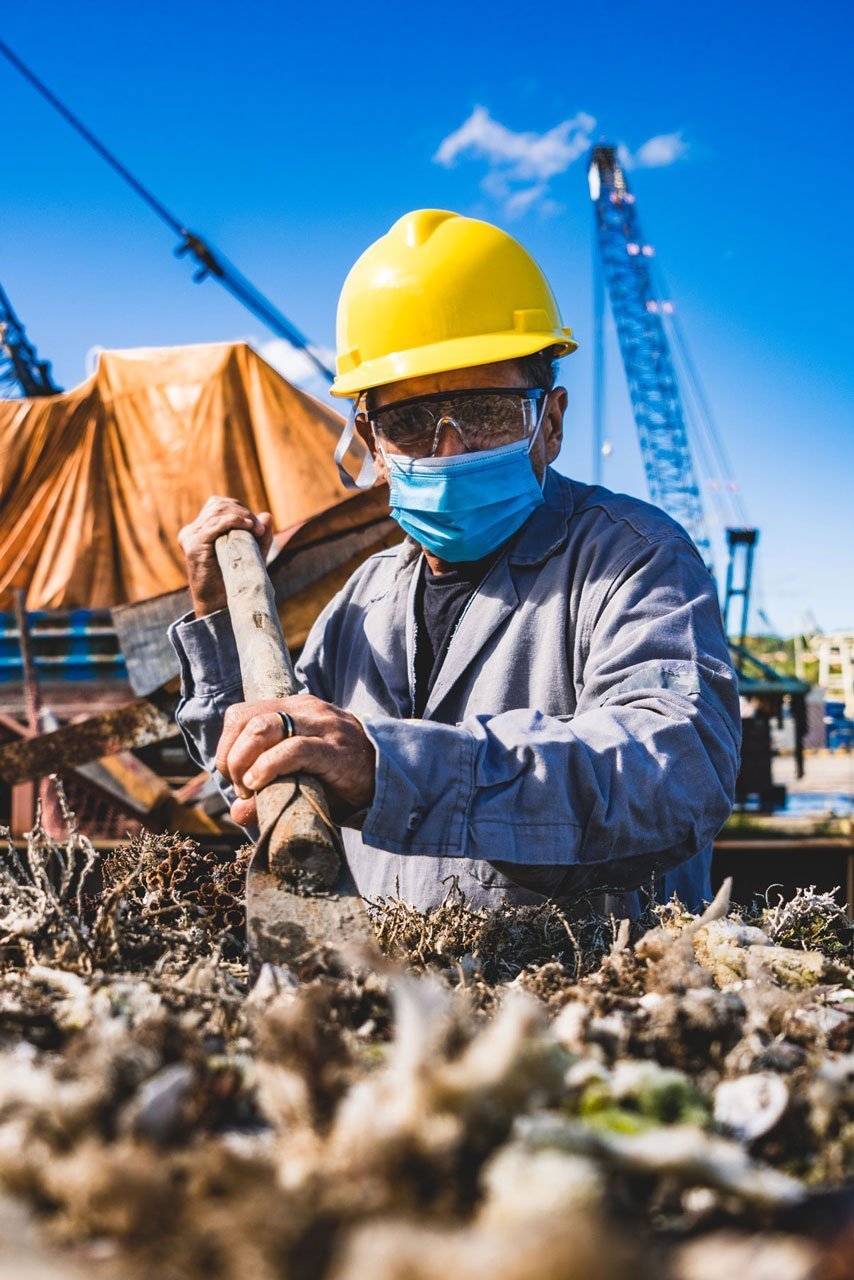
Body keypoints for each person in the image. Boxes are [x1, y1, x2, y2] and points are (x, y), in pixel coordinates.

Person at [170, 209, 740, 916]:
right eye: (409, 423)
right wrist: (218, 621)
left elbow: (674, 773)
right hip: (388, 985)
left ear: (550, 422)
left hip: (585, 985)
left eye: (486, 414)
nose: (448, 450)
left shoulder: (635, 559)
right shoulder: (363, 601)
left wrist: (387, 767)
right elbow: (266, 787)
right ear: (372, 444)